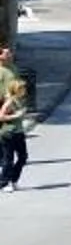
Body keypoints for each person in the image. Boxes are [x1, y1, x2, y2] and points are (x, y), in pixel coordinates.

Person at [0, 41, 28, 190]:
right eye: (6, 52)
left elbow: (19, 84)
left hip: (14, 103)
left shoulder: (13, 68)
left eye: (9, 52)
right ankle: (4, 181)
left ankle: (12, 179)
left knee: (22, 157)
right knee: (7, 156)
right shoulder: (1, 70)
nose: (9, 54)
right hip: (5, 104)